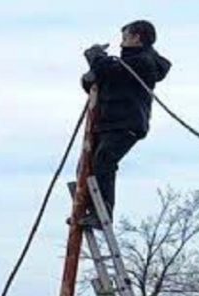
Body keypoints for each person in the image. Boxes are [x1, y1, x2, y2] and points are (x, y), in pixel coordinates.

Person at [79, 19, 172, 227]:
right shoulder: (123, 66)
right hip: (108, 122)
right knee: (87, 164)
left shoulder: (143, 62)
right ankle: (88, 207)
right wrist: (91, 76)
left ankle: (101, 212)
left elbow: (111, 70)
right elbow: (102, 80)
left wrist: (95, 57)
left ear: (137, 38)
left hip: (125, 122)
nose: (121, 44)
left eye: (125, 38)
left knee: (104, 160)